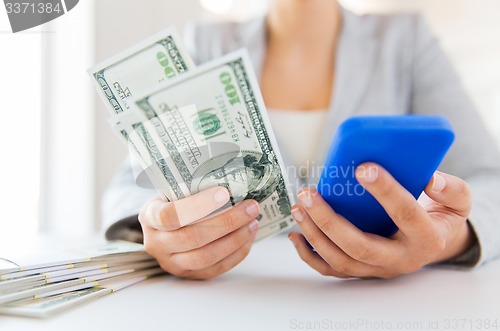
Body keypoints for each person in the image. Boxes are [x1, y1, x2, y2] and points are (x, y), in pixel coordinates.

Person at [102, 0, 500, 279]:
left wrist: (445, 238)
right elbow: (129, 188)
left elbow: (490, 179)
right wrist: (163, 233)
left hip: (375, 308)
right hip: (234, 301)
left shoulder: (407, 41)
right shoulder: (207, 45)